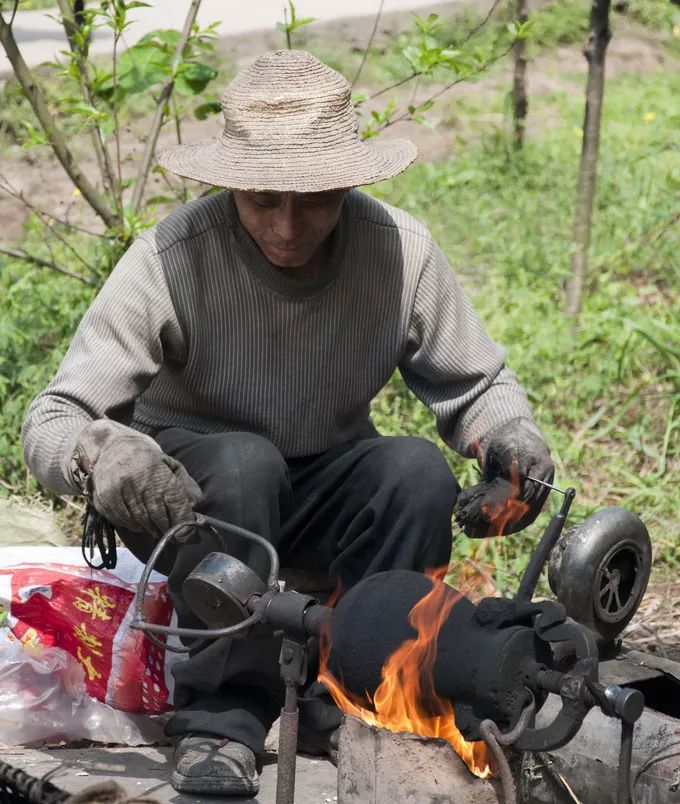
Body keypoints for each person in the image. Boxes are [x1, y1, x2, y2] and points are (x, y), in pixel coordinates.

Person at [22, 50, 554, 797]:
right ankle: (220, 721)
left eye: (314, 199)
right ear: (232, 183)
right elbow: (52, 416)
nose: (287, 225)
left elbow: (478, 385)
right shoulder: (173, 258)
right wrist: (103, 451)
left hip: (323, 474)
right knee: (246, 463)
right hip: (191, 496)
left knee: (414, 472)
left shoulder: (397, 252)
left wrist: (510, 439)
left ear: (348, 181)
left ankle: (361, 691)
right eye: (263, 199)